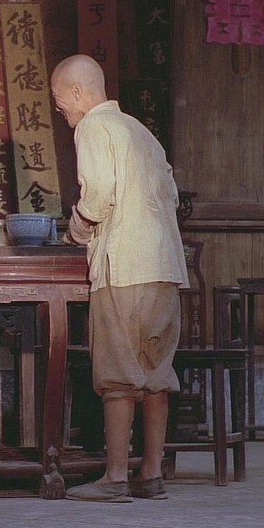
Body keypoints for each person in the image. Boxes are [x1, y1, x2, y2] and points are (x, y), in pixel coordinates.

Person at [51, 54, 189, 502]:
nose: (59, 109)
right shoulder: (141, 131)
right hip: (164, 267)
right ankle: (150, 473)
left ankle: (114, 477)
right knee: (155, 372)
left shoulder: (93, 126)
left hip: (124, 264)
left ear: (77, 91)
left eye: (59, 98)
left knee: (118, 375)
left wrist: (75, 231)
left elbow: (98, 198)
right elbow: (170, 196)